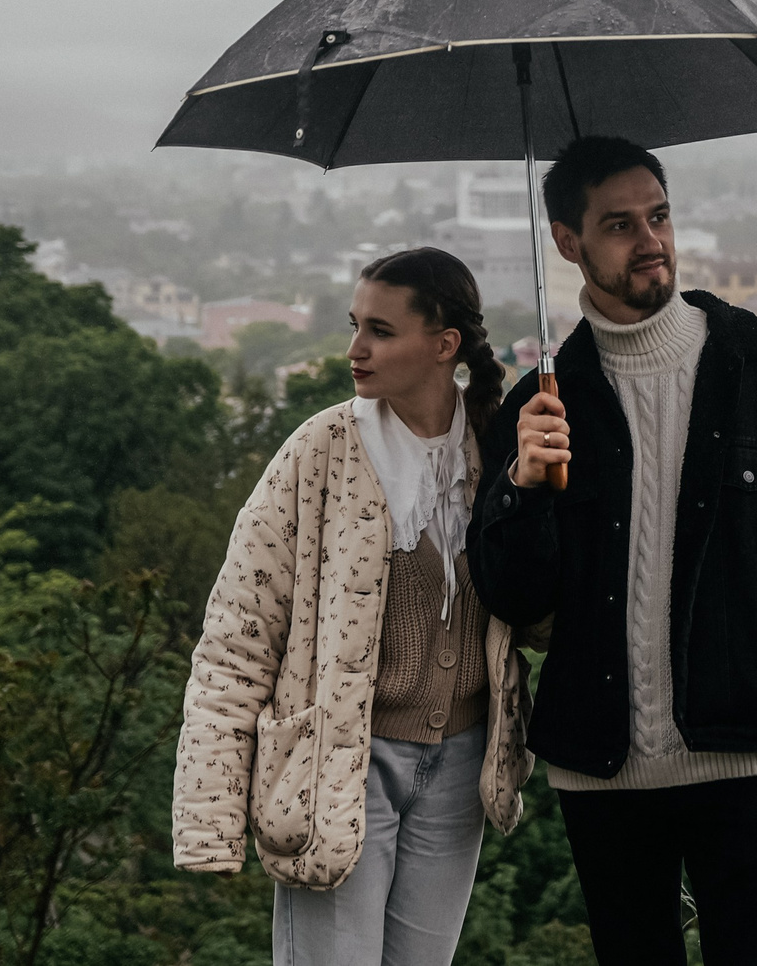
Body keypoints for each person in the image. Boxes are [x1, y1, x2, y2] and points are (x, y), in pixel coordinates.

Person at [472, 136, 757, 964]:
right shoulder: (541, 403)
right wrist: (522, 481)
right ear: (567, 241)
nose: (650, 239)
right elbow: (515, 594)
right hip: (600, 767)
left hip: (746, 749)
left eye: (658, 215)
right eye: (619, 224)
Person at [172, 247, 542, 966]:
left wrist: (533, 497)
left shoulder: (500, 448)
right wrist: (211, 817)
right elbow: (236, 641)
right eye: (354, 325)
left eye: (379, 329)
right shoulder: (318, 453)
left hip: (462, 771)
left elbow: (543, 615)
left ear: (444, 345)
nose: (355, 349)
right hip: (338, 767)